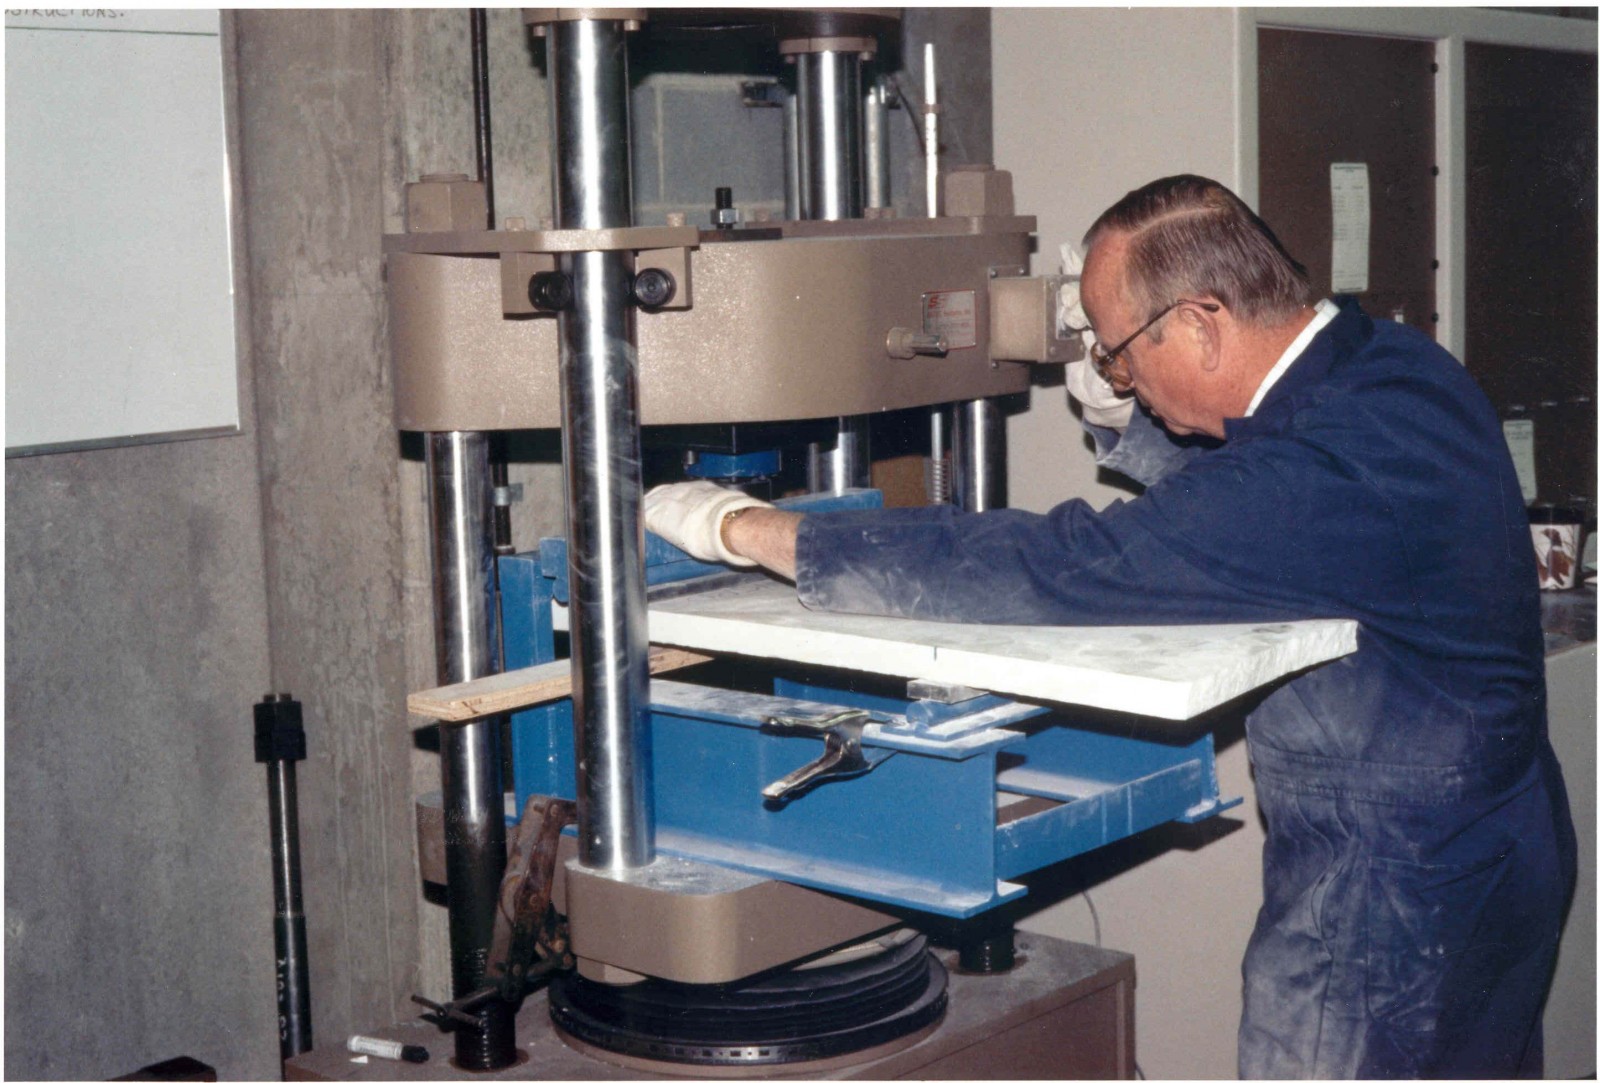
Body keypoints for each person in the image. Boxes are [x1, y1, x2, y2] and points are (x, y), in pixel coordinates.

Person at [644, 175, 1575, 1079]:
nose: (1113, 372)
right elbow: (1259, 501)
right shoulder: (1393, 366)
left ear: (1203, 321)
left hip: (1390, 907)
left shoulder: (1320, 475)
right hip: (1495, 847)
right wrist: (1134, 412)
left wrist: (758, 531)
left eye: (1122, 352)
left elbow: (1066, 564)